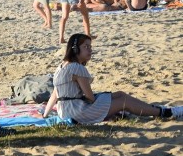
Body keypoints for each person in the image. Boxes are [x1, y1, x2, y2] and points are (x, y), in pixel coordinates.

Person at [43, 33, 182, 122]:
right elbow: (90, 98)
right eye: (86, 47)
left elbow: (55, 94)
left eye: (90, 46)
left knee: (119, 95)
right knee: (123, 101)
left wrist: (45, 115)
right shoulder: (77, 68)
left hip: (65, 111)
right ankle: (165, 112)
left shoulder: (61, 67)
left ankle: (154, 108)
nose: (90, 50)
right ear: (75, 49)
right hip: (77, 111)